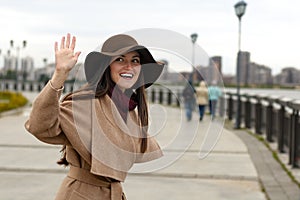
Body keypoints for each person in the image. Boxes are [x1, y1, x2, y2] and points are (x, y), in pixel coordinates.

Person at [24, 33, 165, 200]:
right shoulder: (86, 102)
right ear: (107, 66)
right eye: (120, 59)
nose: (129, 66)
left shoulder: (129, 109)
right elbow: (38, 126)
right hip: (81, 194)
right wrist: (59, 75)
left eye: (135, 60)